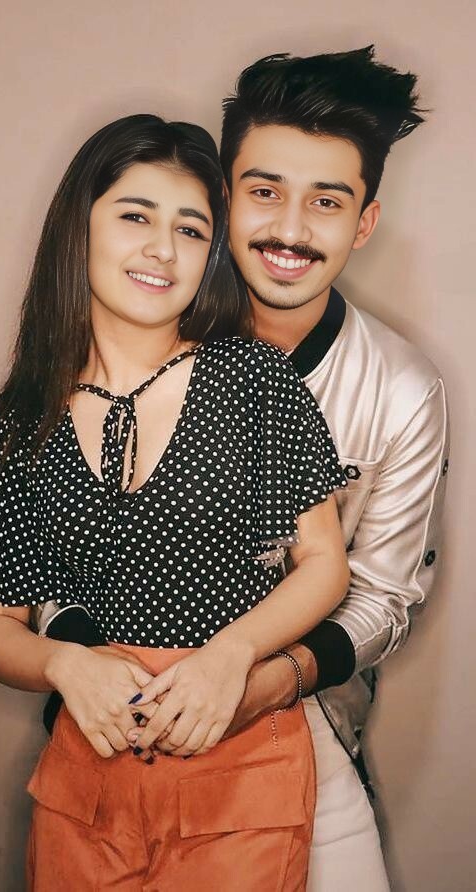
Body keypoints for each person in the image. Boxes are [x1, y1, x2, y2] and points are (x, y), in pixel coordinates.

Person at [0, 114, 350, 890]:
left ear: (210, 255)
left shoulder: (252, 380)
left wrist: (231, 655)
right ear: (80, 226)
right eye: (135, 216)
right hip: (88, 778)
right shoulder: (26, 419)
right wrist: (63, 663)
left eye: (191, 229)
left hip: (240, 771)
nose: (163, 250)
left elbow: (322, 564)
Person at [209, 46, 448, 891]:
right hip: (120, 741)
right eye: (264, 191)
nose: (289, 230)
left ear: (363, 222)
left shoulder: (403, 388)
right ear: (222, 195)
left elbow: (385, 595)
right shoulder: (137, 346)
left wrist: (266, 681)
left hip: (312, 747)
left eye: (325, 201)